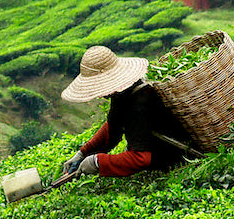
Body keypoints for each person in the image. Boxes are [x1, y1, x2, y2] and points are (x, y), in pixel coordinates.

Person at [58, 45, 195, 178]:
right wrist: (83, 153)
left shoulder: (140, 101)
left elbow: (141, 159)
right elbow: (112, 129)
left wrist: (97, 162)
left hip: (174, 156)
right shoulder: (122, 93)